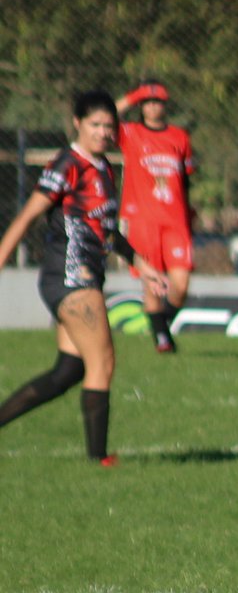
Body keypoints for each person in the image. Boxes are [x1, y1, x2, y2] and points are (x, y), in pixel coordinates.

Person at [0, 89, 164, 464]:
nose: (104, 132)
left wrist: (143, 265)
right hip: (71, 277)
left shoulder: (103, 168)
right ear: (77, 123)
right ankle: (99, 460)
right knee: (102, 362)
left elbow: (106, 230)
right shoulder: (67, 165)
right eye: (95, 125)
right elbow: (27, 216)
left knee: (69, 370)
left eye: (109, 126)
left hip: (82, 277)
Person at [114, 80, 196, 353]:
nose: (152, 106)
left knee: (180, 284)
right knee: (153, 282)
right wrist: (134, 95)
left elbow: (186, 179)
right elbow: (105, 117)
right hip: (143, 220)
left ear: (165, 105)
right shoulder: (131, 133)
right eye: (147, 102)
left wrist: (190, 211)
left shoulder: (179, 137)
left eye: (157, 101)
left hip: (175, 220)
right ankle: (162, 340)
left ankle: (160, 326)